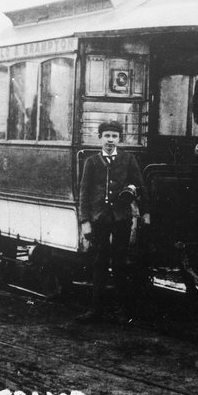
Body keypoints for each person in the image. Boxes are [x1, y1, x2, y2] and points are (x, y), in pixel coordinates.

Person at [76, 121, 147, 323]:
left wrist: (145, 208)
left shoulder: (128, 159)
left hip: (121, 218)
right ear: (100, 137)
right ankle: (95, 310)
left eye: (114, 136)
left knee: (120, 263)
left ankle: (121, 311)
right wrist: (85, 221)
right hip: (100, 219)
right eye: (107, 135)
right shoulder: (91, 162)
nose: (110, 140)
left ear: (119, 139)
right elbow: (84, 193)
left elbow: (141, 186)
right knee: (99, 262)